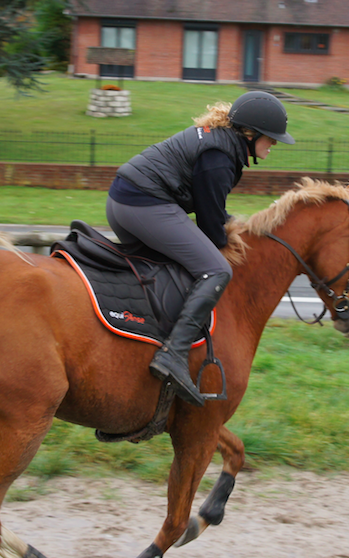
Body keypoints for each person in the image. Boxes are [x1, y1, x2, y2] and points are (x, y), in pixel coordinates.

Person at [106, 90, 295, 406]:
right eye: (271, 138)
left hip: (124, 202)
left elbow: (214, 212)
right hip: (142, 205)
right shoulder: (220, 157)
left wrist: (234, 225)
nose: (274, 144)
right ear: (251, 134)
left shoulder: (220, 143)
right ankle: (174, 355)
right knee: (216, 268)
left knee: (179, 267)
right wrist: (232, 242)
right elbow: (211, 228)